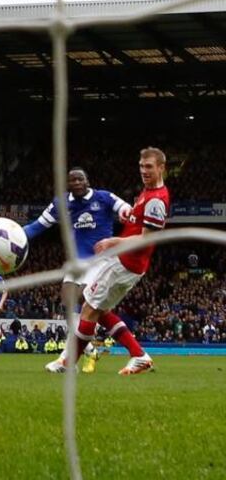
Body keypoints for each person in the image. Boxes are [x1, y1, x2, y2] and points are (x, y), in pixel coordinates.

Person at [47, 148, 170, 375]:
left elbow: (147, 238)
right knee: (97, 308)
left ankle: (68, 363)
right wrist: (130, 215)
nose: (144, 171)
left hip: (124, 263)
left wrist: (112, 241)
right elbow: (139, 223)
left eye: (149, 167)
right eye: (141, 166)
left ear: (161, 167)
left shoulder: (156, 200)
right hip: (127, 263)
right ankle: (138, 355)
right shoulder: (148, 192)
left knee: (89, 309)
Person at [23, 167, 131, 373]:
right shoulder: (61, 203)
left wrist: (126, 214)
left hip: (100, 262)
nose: (77, 182)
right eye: (72, 180)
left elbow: (125, 208)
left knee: (87, 307)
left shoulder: (104, 197)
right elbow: (37, 226)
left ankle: (67, 360)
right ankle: (87, 351)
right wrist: (13, 234)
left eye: (80, 179)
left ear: (87, 180)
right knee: (70, 305)